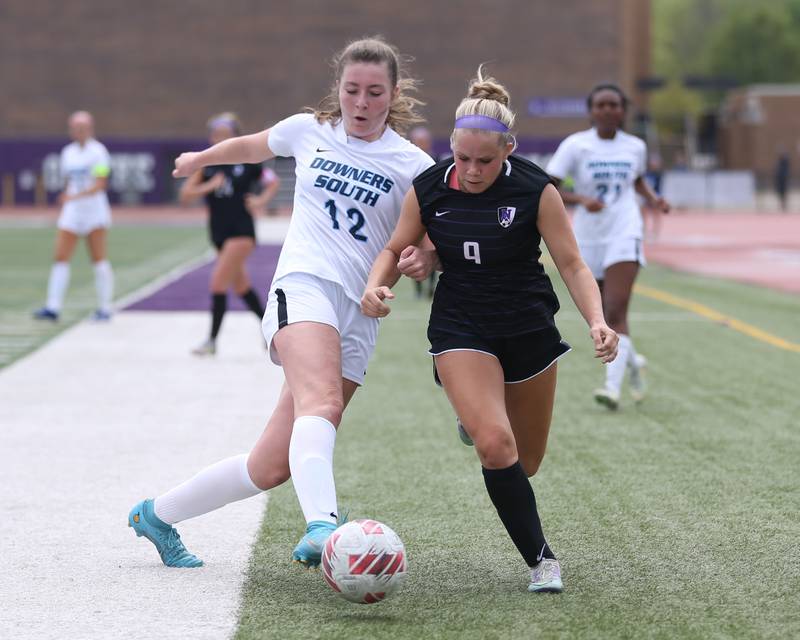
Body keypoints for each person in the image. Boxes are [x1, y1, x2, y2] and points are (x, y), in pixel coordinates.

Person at [127, 37, 434, 568]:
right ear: (338, 87)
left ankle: (156, 514)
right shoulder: (308, 130)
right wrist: (201, 158)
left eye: (374, 92)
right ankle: (324, 527)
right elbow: (250, 146)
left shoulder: (414, 164)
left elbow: (429, 239)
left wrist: (422, 259)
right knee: (323, 403)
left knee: (270, 466)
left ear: (395, 93)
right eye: (352, 90)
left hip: (361, 311)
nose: (361, 103)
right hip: (305, 284)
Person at [362, 67, 618, 593]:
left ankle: (476, 418)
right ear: (451, 148)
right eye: (463, 158)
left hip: (527, 325)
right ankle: (542, 560)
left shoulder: (535, 189)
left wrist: (597, 320)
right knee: (496, 445)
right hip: (462, 323)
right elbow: (394, 247)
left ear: (508, 151)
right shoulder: (430, 188)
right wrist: (378, 284)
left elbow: (571, 264)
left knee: (526, 462)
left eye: (485, 160)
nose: (473, 171)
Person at [546, 84, 669, 410]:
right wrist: (581, 199)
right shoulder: (575, 145)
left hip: (625, 229)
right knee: (599, 316)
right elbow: (550, 188)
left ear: (623, 110)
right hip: (587, 236)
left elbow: (637, 180)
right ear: (591, 111)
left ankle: (611, 389)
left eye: (614, 105)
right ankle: (632, 362)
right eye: (600, 105)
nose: (607, 110)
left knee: (616, 308)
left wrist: (654, 199)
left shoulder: (635, 146)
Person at [179, 112, 281, 356]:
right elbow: (185, 195)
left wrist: (260, 201)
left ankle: (211, 341)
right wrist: (208, 187)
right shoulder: (207, 165)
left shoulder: (246, 162)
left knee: (218, 283)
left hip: (241, 231)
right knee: (242, 286)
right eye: (216, 135)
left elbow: (273, 181)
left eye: (225, 135)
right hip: (218, 232)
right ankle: (272, 331)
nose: (219, 139)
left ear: (235, 136)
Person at [33, 111, 114, 322]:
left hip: (94, 211)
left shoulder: (99, 152)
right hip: (72, 212)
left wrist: (74, 196)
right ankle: (53, 307)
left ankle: (105, 308)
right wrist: (70, 198)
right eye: (75, 128)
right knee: (60, 257)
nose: (79, 132)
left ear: (90, 129)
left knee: (98, 259)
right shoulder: (67, 152)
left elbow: (100, 183)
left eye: (83, 127)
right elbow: (70, 180)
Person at [408, 126, 438, 299]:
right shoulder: (408, 161)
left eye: (423, 141)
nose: (420, 145)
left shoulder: (435, 161)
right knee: (413, 250)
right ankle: (418, 291)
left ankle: (431, 287)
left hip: (432, 213)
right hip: (414, 212)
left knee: (432, 249)